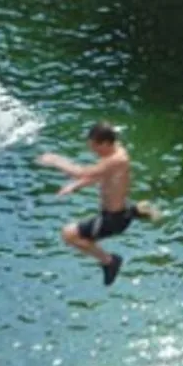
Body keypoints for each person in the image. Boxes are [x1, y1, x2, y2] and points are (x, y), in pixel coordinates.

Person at [37, 122, 156, 287]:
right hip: (118, 212)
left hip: (113, 220)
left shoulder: (117, 160)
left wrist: (56, 160)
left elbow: (81, 172)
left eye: (94, 147)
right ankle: (138, 211)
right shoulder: (115, 154)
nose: (93, 151)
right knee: (71, 233)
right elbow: (100, 174)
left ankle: (110, 261)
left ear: (106, 143)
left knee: (69, 235)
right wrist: (75, 186)